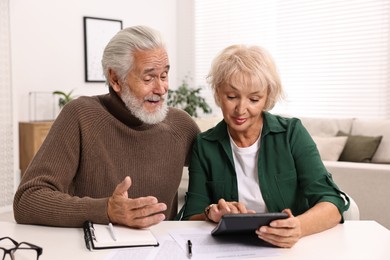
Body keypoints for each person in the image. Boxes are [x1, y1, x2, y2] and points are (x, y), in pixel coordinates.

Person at [13, 25, 200, 228]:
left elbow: (220, 168)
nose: (161, 88)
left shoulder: (181, 125)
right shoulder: (81, 116)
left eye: (164, 75)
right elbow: (27, 200)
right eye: (149, 78)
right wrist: (106, 210)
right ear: (115, 79)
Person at [177, 44, 349, 248]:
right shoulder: (205, 145)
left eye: (254, 99)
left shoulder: (291, 133)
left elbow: (332, 201)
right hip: (231, 249)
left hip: (290, 249)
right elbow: (190, 217)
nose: (241, 109)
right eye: (231, 97)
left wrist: (299, 227)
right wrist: (211, 213)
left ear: (267, 98)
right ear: (218, 93)